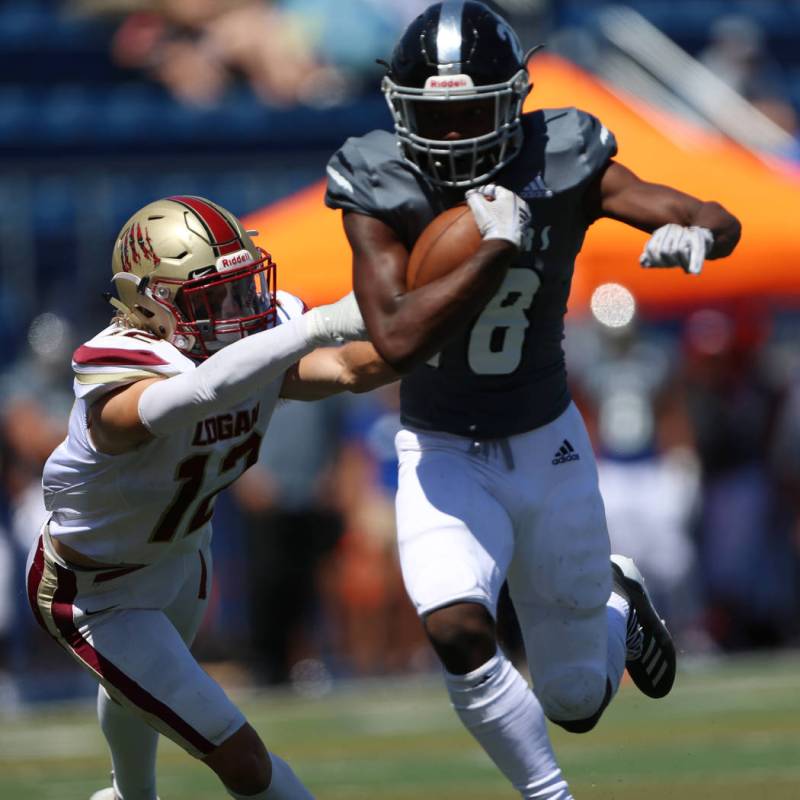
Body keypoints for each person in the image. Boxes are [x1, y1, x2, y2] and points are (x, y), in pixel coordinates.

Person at [324, 3, 741, 798]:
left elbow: (708, 212)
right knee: (453, 624)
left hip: (546, 440)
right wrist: (493, 251)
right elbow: (398, 338)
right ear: (401, 111)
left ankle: (615, 604)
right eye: (436, 118)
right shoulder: (379, 180)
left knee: (577, 700)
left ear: (514, 99)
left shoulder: (564, 152)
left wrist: (698, 234)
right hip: (441, 444)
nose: (455, 139)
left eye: (474, 113)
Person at [24, 195, 394, 800]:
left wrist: (442, 323)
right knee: (243, 760)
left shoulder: (254, 341)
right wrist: (316, 325)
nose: (238, 312)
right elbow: (194, 395)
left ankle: (127, 797)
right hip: (96, 590)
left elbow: (353, 369)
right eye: (211, 299)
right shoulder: (121, 368)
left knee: (140, 687)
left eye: (241, 289)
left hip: (183, 559)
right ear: (148, 302)